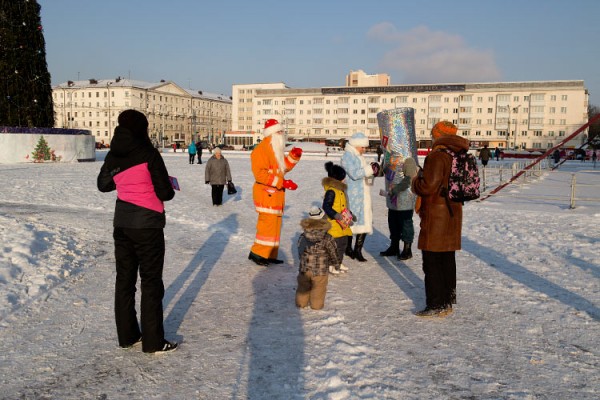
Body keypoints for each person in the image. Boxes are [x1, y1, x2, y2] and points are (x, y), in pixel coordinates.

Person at [96, 109, 178, 353]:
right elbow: (165, 192)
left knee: (125, 280)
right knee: (151, 282)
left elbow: (104, 185)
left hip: (122, 224)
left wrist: (122, 176)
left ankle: (128, 336)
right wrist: (167, 185)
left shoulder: (113, 154)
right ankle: (153, 341)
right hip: (148, 225)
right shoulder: (149, 153)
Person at [411, 120, 469, 318]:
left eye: (432, 133)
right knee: (446, 259)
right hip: (453, 212)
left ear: (438, 135)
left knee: (432, 261)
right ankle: (447, 300)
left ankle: (436, 304)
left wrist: (414, 178)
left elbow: (427, 186)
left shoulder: (437, 156)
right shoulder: (458, 154)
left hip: (437, 215)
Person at [248, 119, 303, 266]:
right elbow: (260, 174)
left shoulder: (274, 148)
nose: (282, 134)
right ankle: (257, 253)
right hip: (266, 194)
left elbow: (282, 168)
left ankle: (270, 253)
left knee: (275, 227)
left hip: (275, 195)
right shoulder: (261, 150)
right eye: (280, 132)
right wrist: (282, 182)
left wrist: (293, 157)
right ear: (272, 133)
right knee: (266, 227)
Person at [340, 132, 379, 262]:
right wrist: (369, 169)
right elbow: (354, 174)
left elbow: (363, 173)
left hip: (362, 194)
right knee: (352, 221)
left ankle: (358, 250)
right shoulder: (347, 157)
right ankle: (349, 248)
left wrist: (372, 171)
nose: (364, 149)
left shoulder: (358, 156)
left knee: (364, 221)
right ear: (356, 145)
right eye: (362, 147)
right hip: (353, 194)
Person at [295, 207, 340, 310]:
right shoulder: (327, 237)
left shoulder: (303, 236)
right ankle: (316, 306)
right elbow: (333, 251)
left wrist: (302, 260)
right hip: (321, 270)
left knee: (303, 286)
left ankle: (301, 303)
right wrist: (336, 264)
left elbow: (300, 249)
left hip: (305, 269)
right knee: (319, 288)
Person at [380, 157, 418, 260]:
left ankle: (407, 249)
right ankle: (394, 247)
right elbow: (384, 172)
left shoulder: (408, 158)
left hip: (405, 199)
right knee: (393, 223)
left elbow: (410, 179)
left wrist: (396, 189)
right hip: (392, 199)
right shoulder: (389, 156)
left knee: (405, 224)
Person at [322, 161, 354, 274]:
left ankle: (338, 263)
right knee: (334, 245)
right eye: (342, 178)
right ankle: (331, 264)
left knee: (343, 244)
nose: (344, 180)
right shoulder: (331, 191)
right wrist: (336, 215)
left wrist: (350, 215)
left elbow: (343, 206)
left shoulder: (340, 190)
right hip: (333, 224)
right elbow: (326, 206)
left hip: (342, 224)